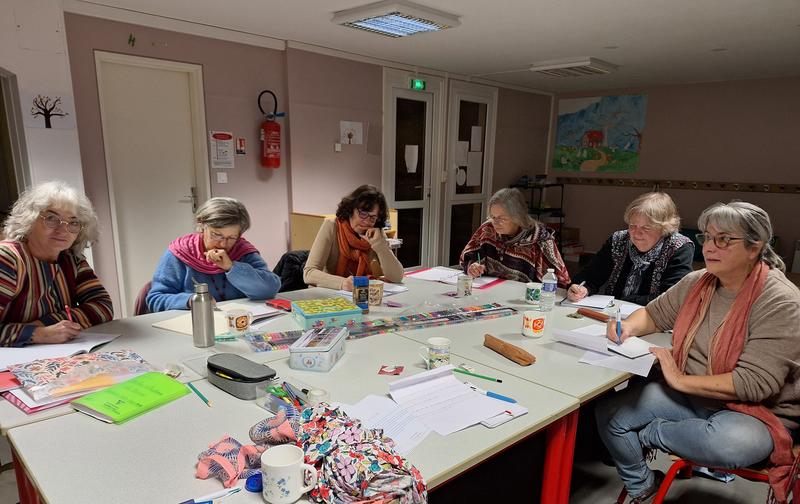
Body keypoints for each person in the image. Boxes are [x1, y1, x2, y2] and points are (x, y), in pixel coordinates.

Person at [595, 201, 800, 504]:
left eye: (724, 239)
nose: (710, 248)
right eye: (707, 237)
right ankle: (642, 485)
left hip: (758, 413)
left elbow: (754, 384)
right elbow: (654, 315)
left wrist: (677, 381)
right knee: (608, 412)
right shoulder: (697, 282)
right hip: (697, 397)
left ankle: (650, 434)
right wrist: (625, 327)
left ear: (754, 247)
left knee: (731, 445)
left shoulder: (780, 301)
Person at [0, 181, 113, 346]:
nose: (63, 230)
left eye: (73, 222)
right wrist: (37, 333)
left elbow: (103, 307)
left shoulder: (72, 260)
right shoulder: (7, 259)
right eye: (51, 219)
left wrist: (46, 324)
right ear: (28, 220)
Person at [147, 197, 280, 311]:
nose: (223, 244)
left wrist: (232, 267)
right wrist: (192, 301)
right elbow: (155, 298)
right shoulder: (180, 252)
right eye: (217, 235)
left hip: (238, 323)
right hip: (195, 325)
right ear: (202, 225)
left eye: (232, 237)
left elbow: (269, 289)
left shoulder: (243, 250)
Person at [567, 192, 694, 306]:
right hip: (612, 313)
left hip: (654, 318)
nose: (637, 233)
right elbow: (591, 275)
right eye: (632, 225)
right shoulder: (619, 240)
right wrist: (582, 288)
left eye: (646, 227)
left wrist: (625, 301)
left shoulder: (679, 247)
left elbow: (672, 298)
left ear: (664, 228)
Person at [459, 188, 570, 285]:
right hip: (488, 291)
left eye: (502, 218)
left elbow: (560, 280)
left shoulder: (540, 240)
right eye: (493, 217)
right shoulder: (488, 229)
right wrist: (472, 266)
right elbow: (468, 255)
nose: (496, 223)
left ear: (518, 217)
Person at [303, 185, 403, 291]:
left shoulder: (376, 232)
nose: (367, 221)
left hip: (362, 294)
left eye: (373, 217)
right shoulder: (332, 226)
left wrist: (380, 246)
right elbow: (309, 273)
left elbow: (396, 277)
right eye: (363, 213)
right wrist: (342, 283)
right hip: (331, 294)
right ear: (351, 210)